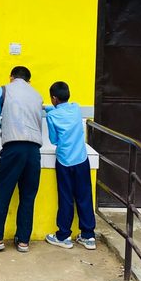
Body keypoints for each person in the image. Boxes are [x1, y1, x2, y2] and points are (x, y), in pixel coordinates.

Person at [0, 66, 43, 253]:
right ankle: (23, 241)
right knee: (28, 196)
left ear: (11, 77)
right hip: (34, 150)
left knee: (3, 192)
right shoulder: (37, 95)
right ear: (29, 81)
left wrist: (5, 125)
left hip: (13, 148)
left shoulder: (3, 90)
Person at [44, 81, 96, 250]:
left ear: (53, 98)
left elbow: (53, 140)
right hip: (81, 158)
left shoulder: (52, 116)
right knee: (84, 196)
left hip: (64, 160)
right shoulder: (76, 108)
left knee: (66, 197)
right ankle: (88, 236)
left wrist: (46, 110)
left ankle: (63, 235)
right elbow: (63, 109)